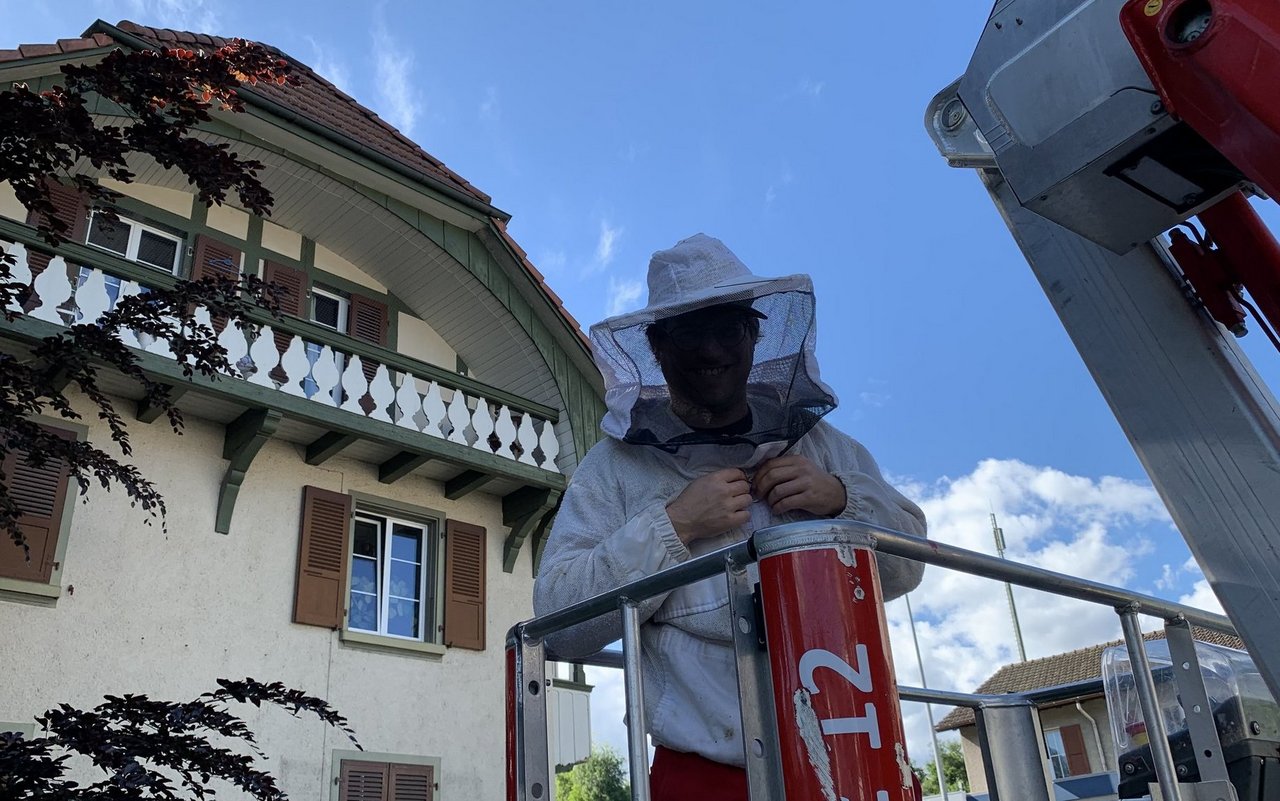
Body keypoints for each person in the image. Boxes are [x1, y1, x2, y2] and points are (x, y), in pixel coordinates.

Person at [533, 234, 927, 801]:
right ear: (659, 347)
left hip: (854, 750)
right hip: (705, 776)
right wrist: (672, 526)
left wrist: (841, 501)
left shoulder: (825, 449)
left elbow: (910, 563)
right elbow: (559, 624)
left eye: (731, 328)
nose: (714, 350)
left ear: (756, 335)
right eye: (693, 331)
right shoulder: (614, 469)